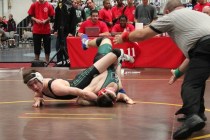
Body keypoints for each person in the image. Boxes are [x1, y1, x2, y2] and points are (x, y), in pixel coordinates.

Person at [113, 0, 210, 139]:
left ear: (166, 12)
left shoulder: (171, 17)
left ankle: (192, 117)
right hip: (204, 47)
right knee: (197, 79)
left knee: (190, 84)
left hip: (204, 46)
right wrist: (177, 72)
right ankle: (199, 113)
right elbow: (193, 58)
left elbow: (142, 35)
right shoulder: (197, 15)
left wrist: (125, 37)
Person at [23, 37, 133, 107]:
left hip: (86, 77)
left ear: (40, 79)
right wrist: (38, 98)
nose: (35, 87)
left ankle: (118, 57)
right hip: (84, 79)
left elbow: (83, 94)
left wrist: (105, 99)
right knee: (105, 41)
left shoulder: (56, 87)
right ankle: (88, 43)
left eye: (35, 83)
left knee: (116, 51)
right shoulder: (40, 86)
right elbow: (37, 93)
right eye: (31, 86)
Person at [78, 34, 135, 106]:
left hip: (102, 61)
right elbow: (120, 96)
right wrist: (126, 98)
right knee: (119, 84)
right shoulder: (113, 95)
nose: (112, 89)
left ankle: (86, 43)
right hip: (114, 67)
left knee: (105, 39)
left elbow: (80, 100)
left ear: (102, 92)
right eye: (113, 92)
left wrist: (96, 101)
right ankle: (120, 60)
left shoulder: (96, 87)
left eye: (110, 90)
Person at [53, 0, 70, 67]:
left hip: (67, 31)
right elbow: (57, 18)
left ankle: (67, 61)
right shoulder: (59, 6)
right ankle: (59, 61)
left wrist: (71, 31)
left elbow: (71, 20)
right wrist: (55, 29)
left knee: (66, 47)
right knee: (58, 46)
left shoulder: (69, 5)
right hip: (60, 30)